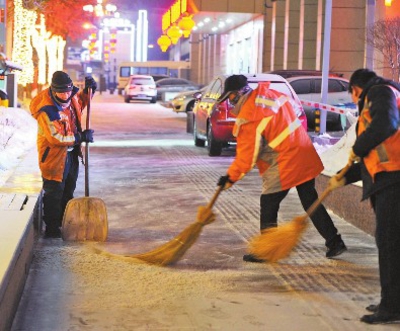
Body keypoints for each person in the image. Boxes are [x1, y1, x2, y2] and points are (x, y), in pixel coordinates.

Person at [217, 75, 346, 262]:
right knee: (310, 200)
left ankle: (266, 250)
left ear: (238, 94)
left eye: (230, 97)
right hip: (303, 153)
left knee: (269, 202)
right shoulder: (269, 95)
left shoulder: (250, 116)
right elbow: (294, 113)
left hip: (286, 161)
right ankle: (335, 241)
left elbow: (246, 158)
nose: (229, 102)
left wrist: (230, 178)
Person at [329, 68, 400, 324]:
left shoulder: (380, 93)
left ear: (357, 89)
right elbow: (378, 154)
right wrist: (344, 177)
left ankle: (392, 308)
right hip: (389, 178)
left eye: (354, 94)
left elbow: (386, 125)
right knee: (391, 245)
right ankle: (392, 301)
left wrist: (358, 146)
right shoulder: (384, 94)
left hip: (394, 181)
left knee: (390, 245)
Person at [30, 71, 97, 238]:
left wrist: (90, 90)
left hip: (71, 154)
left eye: (68, 90)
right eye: (62, 92)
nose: (66, 95)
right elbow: (56, 138)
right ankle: (52, 228)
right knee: (54, 192)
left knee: (69, 189)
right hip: (53, 157)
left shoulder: (71, 96)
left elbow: (80, 103)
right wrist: (80, 137)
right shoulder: (47, 110)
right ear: (53, 90)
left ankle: (64, 221)